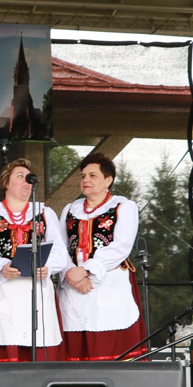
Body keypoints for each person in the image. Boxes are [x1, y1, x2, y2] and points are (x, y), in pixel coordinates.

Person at [0, 158, 72, 369]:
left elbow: (60, 251)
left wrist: (48, 267)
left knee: (36, 346)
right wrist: (0, 265)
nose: (26, 182)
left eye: (29, 179)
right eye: (20, 177)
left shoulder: (44, 213)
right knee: (1, 344)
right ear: (6, 183)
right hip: (1, 290)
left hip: (36, 292)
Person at [57, 153, 146, 361]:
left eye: (92, 175)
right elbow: (60, 248)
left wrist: (86, 270)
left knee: (110, 346)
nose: (85, 180)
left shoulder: (123, 206)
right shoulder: (70, 209)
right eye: (83, 176)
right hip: (73, 286)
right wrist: (70, 273)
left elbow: (121, 246)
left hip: (108, 282)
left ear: (108, 180)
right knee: (76, 348)